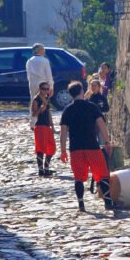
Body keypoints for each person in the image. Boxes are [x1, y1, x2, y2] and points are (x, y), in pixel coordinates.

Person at [60, 81, 114, 212]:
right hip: (92, 147)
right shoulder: (92, 107)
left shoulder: (67, 110)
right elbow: (101, 125)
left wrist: (63, 150)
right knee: (102, 174)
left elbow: (63, 132)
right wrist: (107, 142)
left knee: (78, 177)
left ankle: (81, 204)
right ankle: (108, 202)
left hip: (76, 148)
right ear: (82, 91)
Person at [31, 81, 56, 176]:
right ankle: (41, 170)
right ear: (40, 89)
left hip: (47, 126)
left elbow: (48, 112)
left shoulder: (46, 99)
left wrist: (52, 125)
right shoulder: (36, 100)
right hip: (40, 126)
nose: (46, 91)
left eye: (47, 89)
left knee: (52, 148)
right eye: (44, 89)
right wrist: (40, 109)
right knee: (41, 149)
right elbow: (34, 114)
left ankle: (46, 166)